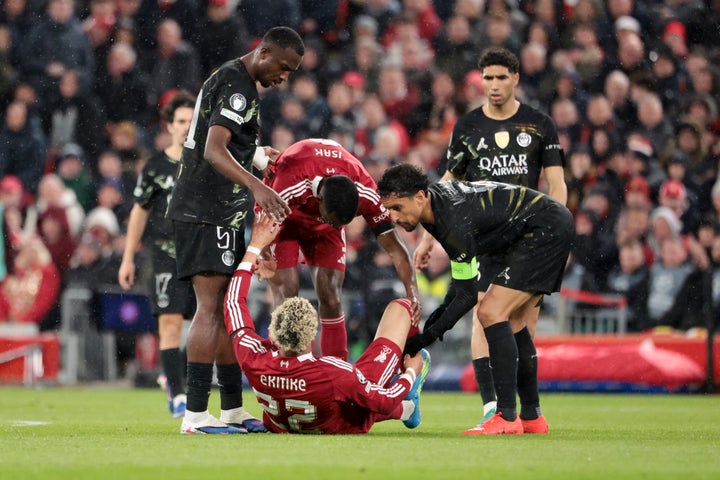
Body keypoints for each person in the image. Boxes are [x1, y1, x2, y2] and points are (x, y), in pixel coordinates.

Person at [414, 47, 567, 431]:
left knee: (521, 324)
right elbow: (449, 180)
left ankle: (523, 412)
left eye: (501, 77)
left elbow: (556, 183)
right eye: (487, 78)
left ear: (515, 78)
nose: (494, 85)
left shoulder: (539, 125)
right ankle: (495, 408)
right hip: (484, 237)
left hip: (528, 235)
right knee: (485, 316)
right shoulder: (467, 126)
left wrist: (556, 234)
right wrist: (428, 237)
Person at [165, 26, 304, 435]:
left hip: (220, 211)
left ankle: (231, 409)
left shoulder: (237, 81)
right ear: (264, 53)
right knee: (210, 307)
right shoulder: (236, 84)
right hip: (203, 210)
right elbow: (213, 149)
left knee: (226, 308)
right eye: (283, 67)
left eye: (291, 72)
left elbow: (217, 138)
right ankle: (194, 414)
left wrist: (256, 156)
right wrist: (258, 186)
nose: (284, 78)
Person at [378, 164, 574, 435]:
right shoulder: (439, 209)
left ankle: (507, 416)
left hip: (544, 229)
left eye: (397, 207)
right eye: (389, 209)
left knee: (490, 311)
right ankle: (531, 416)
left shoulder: (452, 221)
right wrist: (428, 332)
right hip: (542, 225)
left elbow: (467, 296)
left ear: (420, 197)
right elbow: (461, 287)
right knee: (516, 322)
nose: (393, 217)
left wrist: (424, 338)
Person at [224, 213, 431, 434]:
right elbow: (384, 401)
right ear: (312, 334)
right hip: (345, 423)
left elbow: (233, 302)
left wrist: (254, 246)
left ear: (273, 331)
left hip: (283, 423)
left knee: (350, 393)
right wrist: (410, 373)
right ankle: (408, 399)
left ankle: (406, 409)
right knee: (402, 307)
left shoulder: (254, 359)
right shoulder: (334, 372)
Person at [263, 138, 420, 361]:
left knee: (331, 297)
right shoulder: (290, 180)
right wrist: (263, 254)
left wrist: (413, 293)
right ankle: (287, 367)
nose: (339, 227)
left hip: (324, 228)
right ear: (319, 200)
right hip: (285, 218)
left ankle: (336, 369)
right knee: (286, 297)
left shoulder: (366, 192)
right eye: (335, 221)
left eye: (344, 223)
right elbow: (263, 218)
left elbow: (396, 249)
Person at [118, 90, 197, 418]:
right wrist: (127, 258)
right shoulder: (155, 167)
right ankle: (178, 394)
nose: (186, 126)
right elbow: (139, 212)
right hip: (165, 255)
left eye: (192, 121)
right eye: (181, 121)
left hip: (199, 254)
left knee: (203, 324)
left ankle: (179, 376)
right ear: (169, 125)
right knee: (170, 322)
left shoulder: (206, 163)